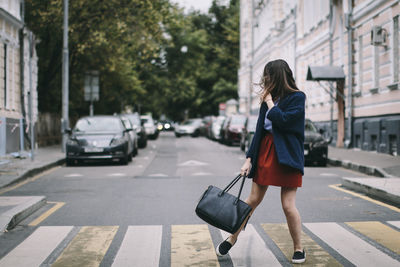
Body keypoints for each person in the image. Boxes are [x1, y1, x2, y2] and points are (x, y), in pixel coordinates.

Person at [215, 59, 306, 264]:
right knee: (252, 201)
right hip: (265, 153)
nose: (265, 80)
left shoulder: (298, 97)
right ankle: (232, 238)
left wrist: (270, 102)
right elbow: (259, 132)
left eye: (268, 76)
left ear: (277, 77)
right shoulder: (267, 100)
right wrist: (249, 159)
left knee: (288, 205)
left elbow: (283, 120)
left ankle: (299, 248)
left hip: (288, 155)